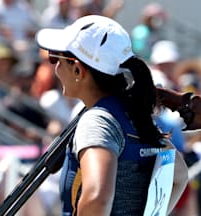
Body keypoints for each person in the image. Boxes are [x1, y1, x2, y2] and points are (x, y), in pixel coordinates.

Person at [35, 14, 188, 215]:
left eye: (57, 58)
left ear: (79, 70)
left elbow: (97, 198)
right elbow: (179, 175)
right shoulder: (133, 114)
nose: (55, 67)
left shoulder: (97, 121)